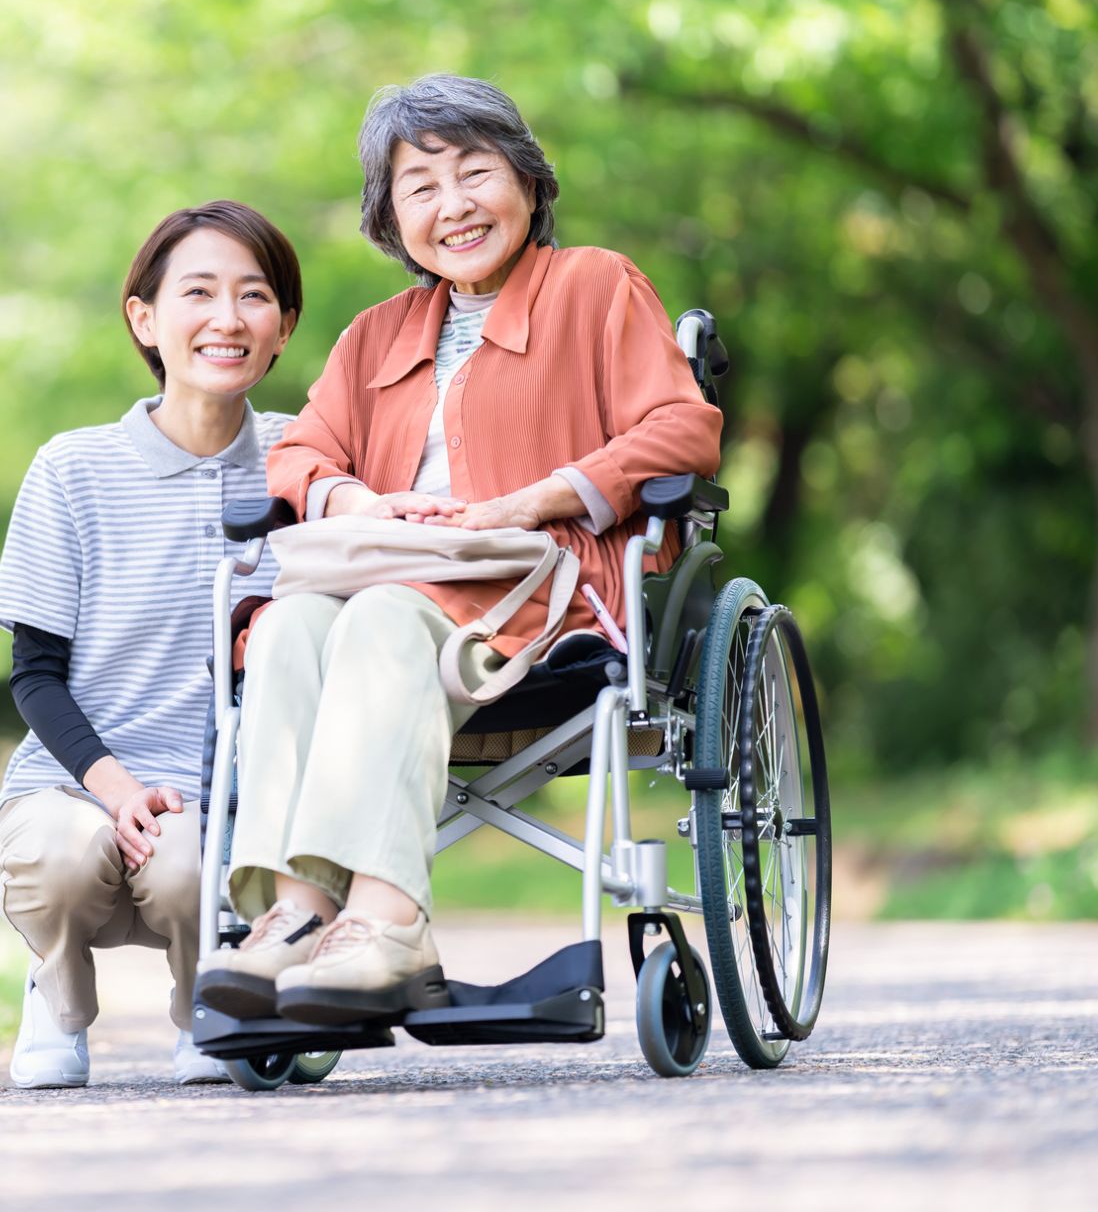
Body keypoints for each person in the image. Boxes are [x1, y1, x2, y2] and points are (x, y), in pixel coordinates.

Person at [196, 75, 723, 1025]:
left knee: (383, 620)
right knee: (284, 628)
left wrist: (539, 498)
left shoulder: (596, 287)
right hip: (392, 581)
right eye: (420, 188)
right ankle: (300, 912)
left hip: (543, 593)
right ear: (391, 219)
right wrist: (358, 499)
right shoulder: (374, 337)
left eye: (474, 173)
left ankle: (390, 925)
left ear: (525, 180)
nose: (454, 206)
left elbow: (681, 430)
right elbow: (303, 451)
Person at [0, 200, 302, 1086]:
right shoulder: (71, 468)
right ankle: (58, 993)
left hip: (225, 802)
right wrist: (116, 789)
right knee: (67, 855)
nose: (226, 319)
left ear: (284, 328)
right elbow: (35, 675)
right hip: (75, 784)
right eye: (197, 292)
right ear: (145, 318)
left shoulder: (309, 463)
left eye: (254, 296)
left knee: (194, 860)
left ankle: (212, 1001)